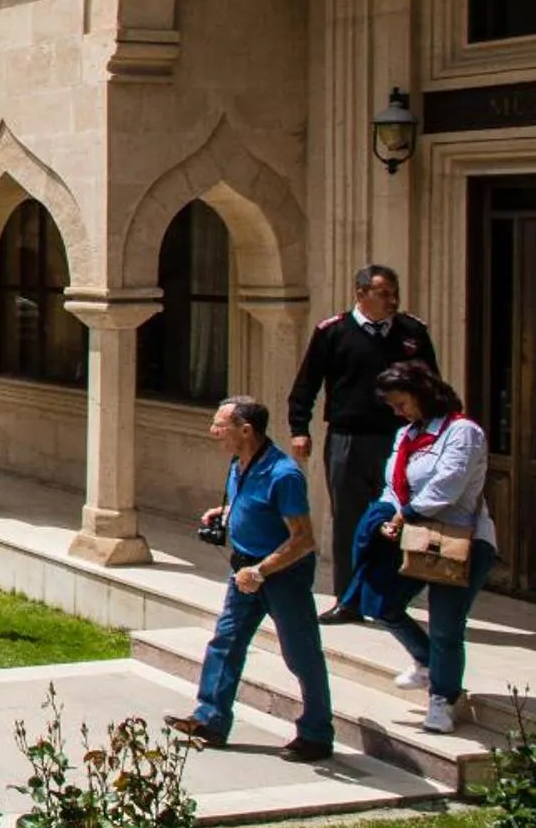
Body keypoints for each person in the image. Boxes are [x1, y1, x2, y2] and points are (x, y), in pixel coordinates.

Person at [166, 395, 335, 763]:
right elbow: (254, 506)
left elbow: (303, 538)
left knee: (301, 653)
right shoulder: (238, 463)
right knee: (225, 642)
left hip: (279, 575)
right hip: (244, 571)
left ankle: (317, 733)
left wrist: (261, 571)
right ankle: (210, 718)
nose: (213, 432)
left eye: (220, 425)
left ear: (246, 429)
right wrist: (225, 513)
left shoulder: (284, 474)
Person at [287, 263, 439, 619]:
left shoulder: (411, 333)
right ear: (361, 294)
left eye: (394, 292)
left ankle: (390, 598)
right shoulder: (333, 332)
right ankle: (349, 599)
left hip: (400, 439)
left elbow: (432, 386)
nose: (392, 300)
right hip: (348, 439)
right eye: (383, 293)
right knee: (349, 521)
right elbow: (306, 384)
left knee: (397, 518)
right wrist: (299, 428)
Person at [356, 361, 498, 735]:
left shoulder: (462, 432)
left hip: (460, 540)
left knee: (446, 625)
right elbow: (394, 484)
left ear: (421, 394)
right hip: (413, 536)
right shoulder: (405, 436)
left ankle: (443, 699)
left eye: (401, 404)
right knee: (382, 604)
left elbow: (447, 487)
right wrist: (385, 515)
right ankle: (427, 662)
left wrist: (403, 515)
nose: (397, 412)